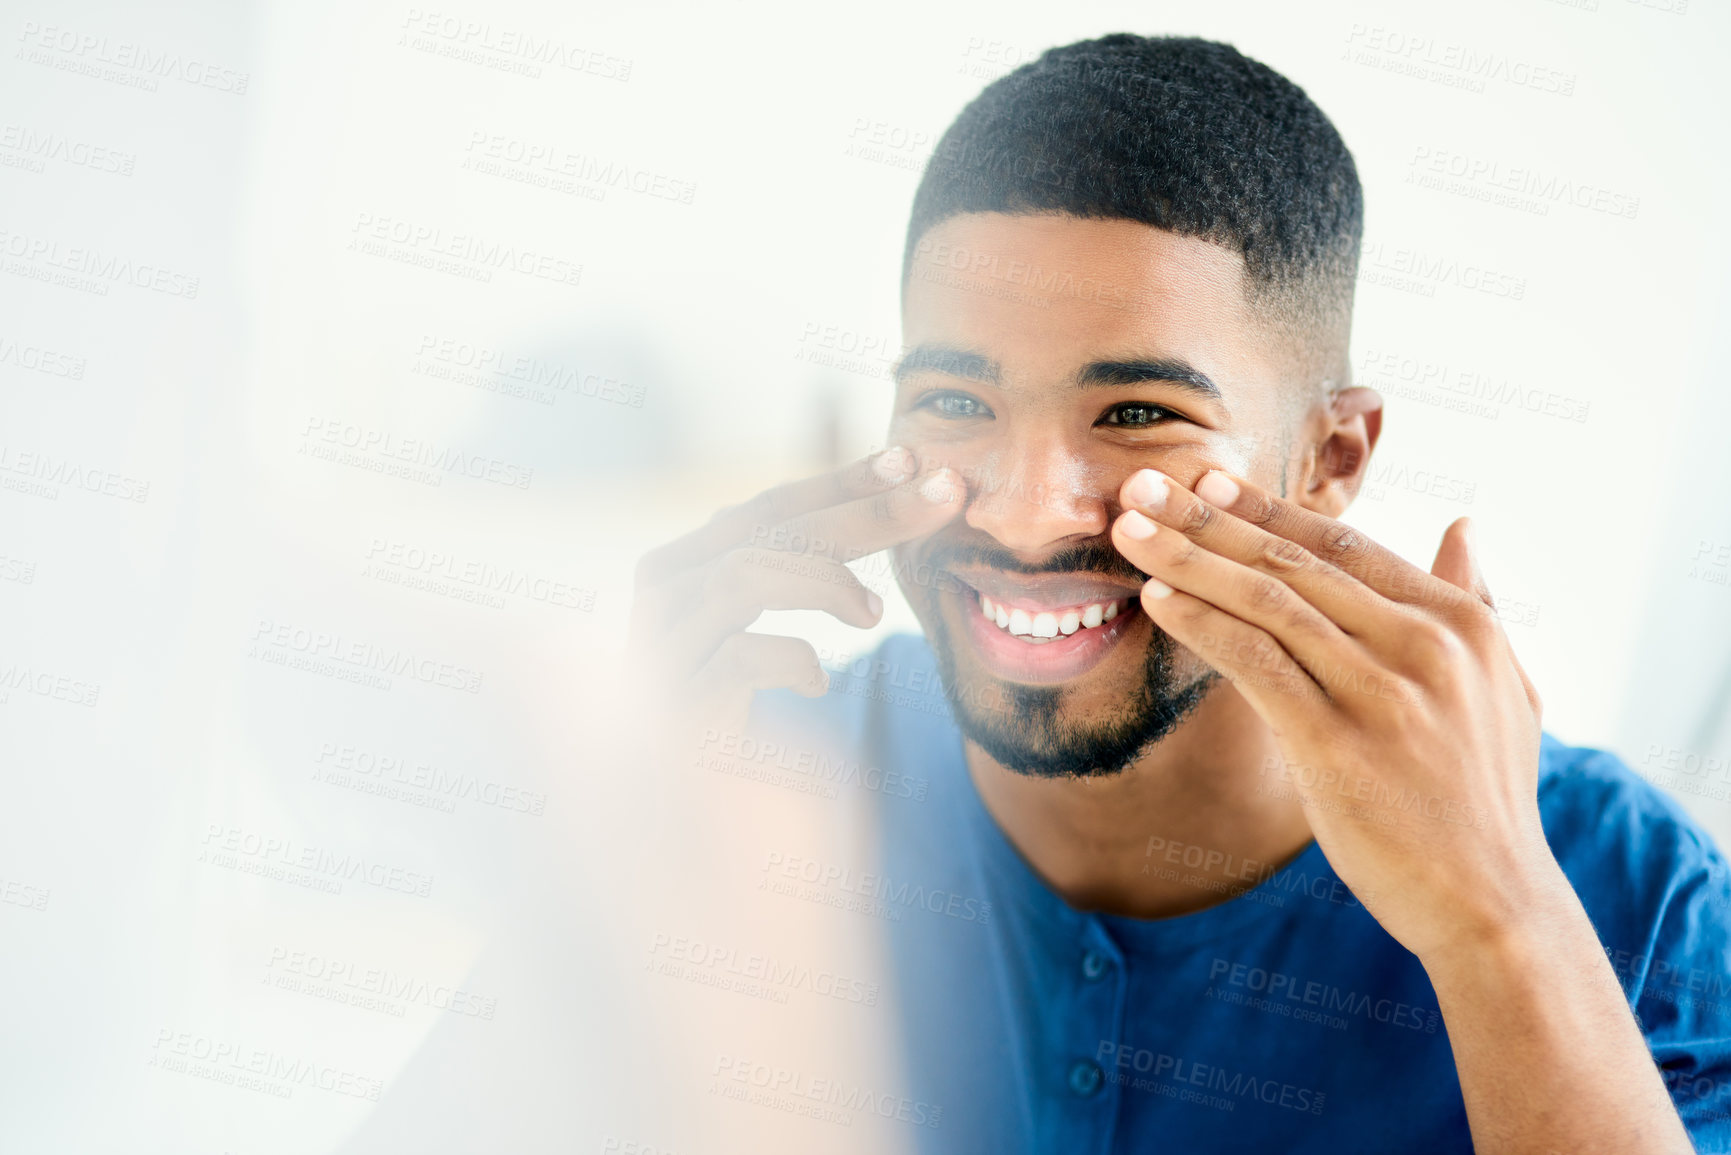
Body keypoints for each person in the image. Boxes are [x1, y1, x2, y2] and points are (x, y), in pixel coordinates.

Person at [630, 34, 1731, 1153]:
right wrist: (604, 866)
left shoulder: (1632, 896)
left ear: (1333, 458)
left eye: (1138, 414)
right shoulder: (751, 771)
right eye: (956, 403)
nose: (1023, 512)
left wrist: (1498, 921)